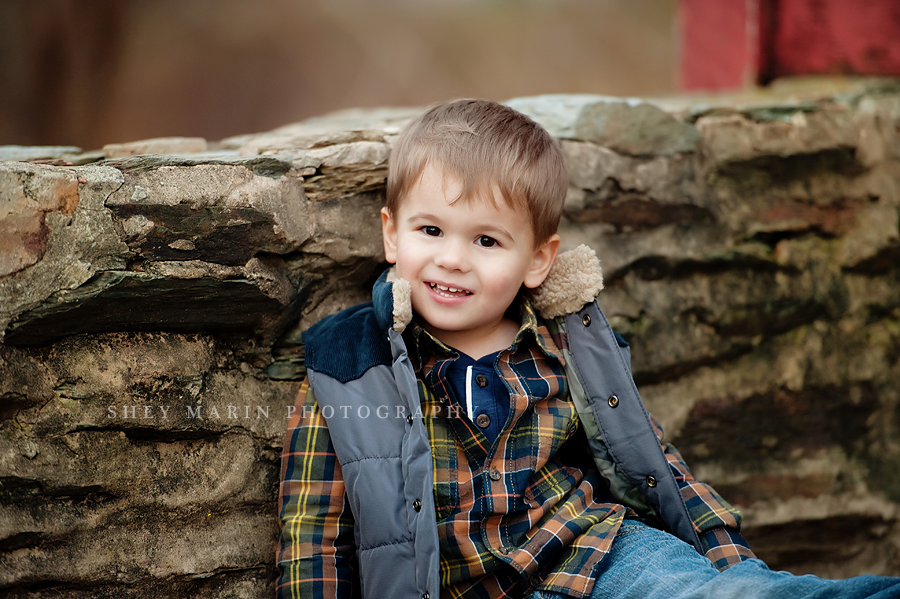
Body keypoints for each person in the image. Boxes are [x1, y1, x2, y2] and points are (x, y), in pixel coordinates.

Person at [276, 99, 900, 599]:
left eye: (487, 241)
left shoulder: (568, 346)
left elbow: (654, 462)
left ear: (538, 259)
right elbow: (313, 534)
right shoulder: (352, 370)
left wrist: (732, 571)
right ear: (391, 233)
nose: (452, 259)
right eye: (431, 230)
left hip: (601, 557)